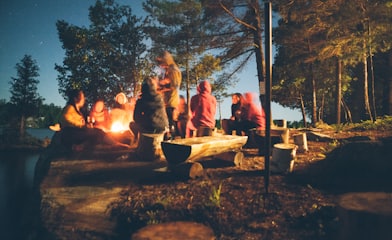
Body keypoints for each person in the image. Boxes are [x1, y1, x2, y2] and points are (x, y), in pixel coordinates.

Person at [59, 89, 129, 153]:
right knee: (98, 132)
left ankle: (80, 147)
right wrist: (82, 126)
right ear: (75, 99)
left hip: (75, 132)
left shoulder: (77, 110)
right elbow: (65, 119)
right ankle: (115, 144)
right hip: (71, 133)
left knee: (95, 135)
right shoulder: (69, 108)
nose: (84, 99)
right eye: (82, 97)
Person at [129, 76, 169, 140]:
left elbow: (136, 117)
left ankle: (137, 139)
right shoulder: (160, 98)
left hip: (150, 128)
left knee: (132, 124)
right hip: (163, 127)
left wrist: (145, 119)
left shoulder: (141, 100)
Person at [156, 50, 182, 139]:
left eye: (161, 62)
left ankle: (173, 139)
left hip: (171, 100)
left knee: (171, 122)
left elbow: (174, 85)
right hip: (167, 101)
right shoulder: (168, 70)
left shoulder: (173, 69)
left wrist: (161, 89)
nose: (160, 65)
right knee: (168, 121)